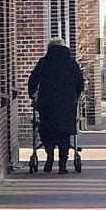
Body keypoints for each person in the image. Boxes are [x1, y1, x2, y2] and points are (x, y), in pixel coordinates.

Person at [28, 38, 84, 174]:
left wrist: (32, 95)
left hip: (47, 102)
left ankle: (50, 156)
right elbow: (80, 83)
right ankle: (63, 165)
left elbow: (33, 80)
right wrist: (75, 96)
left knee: (47, 129)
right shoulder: (71, 63)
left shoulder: (44, 62)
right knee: (65, 133)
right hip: (67, 103)